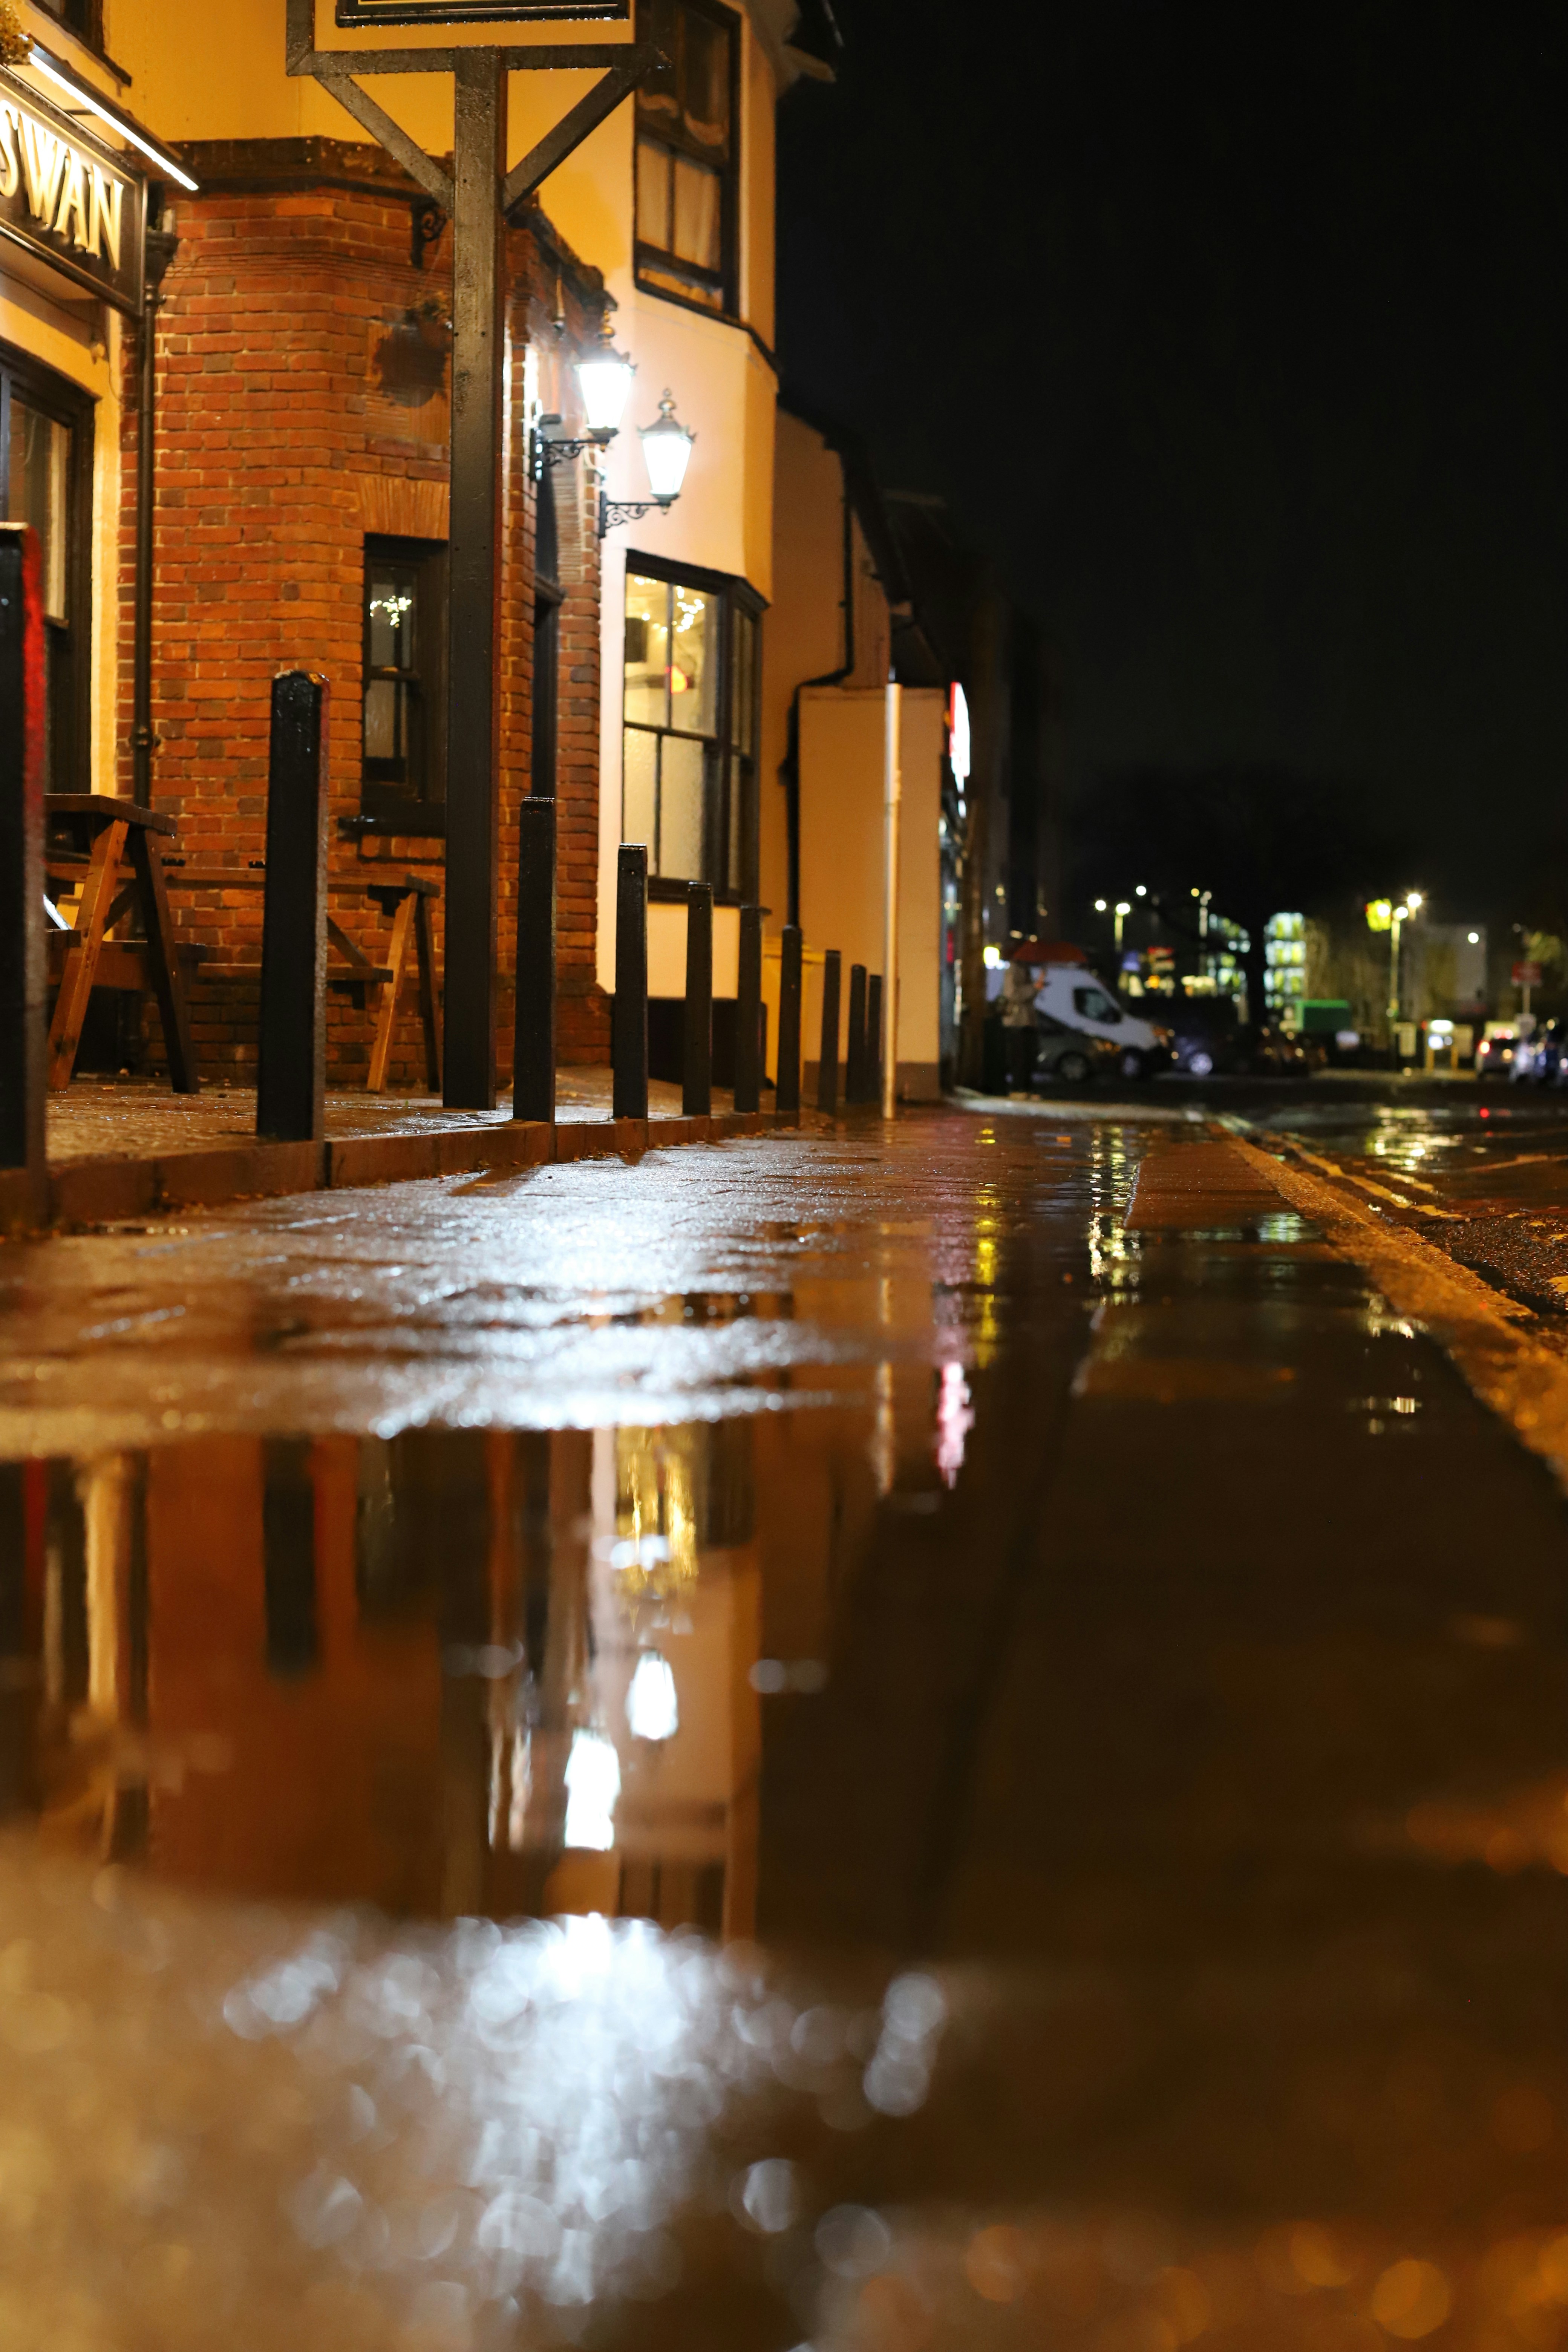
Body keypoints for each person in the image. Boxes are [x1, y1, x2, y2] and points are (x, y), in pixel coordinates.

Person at [999, 954, 1041, 1094]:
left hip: (1026, 1021)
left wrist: (1036, 986)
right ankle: (1018, 1088)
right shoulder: (1014, 969)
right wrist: (1034, 987)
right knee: (1019, 1056)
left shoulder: (1024, 968)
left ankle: (1025, 1088)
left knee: (1028, 1055)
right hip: (1016, 1021)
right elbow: (1013, 994)